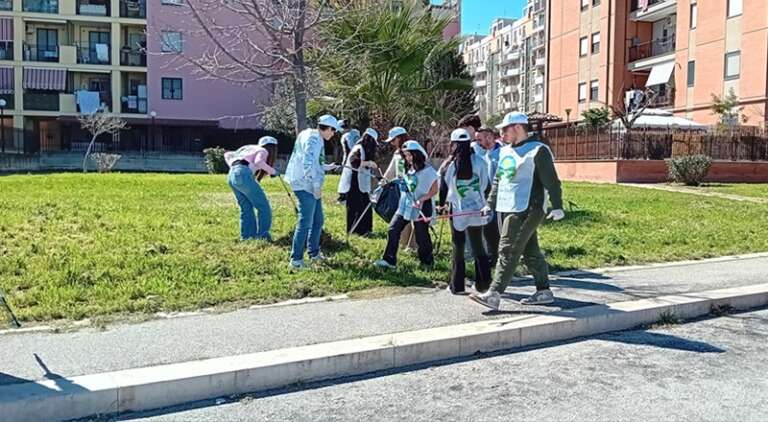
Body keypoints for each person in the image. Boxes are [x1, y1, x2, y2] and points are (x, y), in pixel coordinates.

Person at [469, 112, 565, 310]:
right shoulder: (505, 151)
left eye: (505, 129)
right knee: (530, 250)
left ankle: (494, 294)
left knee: (507, 248)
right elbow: (499, 179)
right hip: (509, 206)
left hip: (528, 207)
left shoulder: (538, 150)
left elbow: (552, 181)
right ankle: (543, 291)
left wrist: (557, 205)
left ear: (518, 128)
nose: (501, 133)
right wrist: (490, 203)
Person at [438, 128, 492, 295]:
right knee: (478, 246)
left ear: (453, 145)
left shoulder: (450, 165)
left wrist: (441, 206)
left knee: (458, 246)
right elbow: (486, 186)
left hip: (458, 211)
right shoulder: (481, 162)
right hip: (477, 209)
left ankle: (457, 285)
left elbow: (443, 188)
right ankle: (484, 284)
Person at [284, 115, 342, 269]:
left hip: (309, 184)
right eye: (333, 130)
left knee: (318, 220)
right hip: (305, 185)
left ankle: (314, 253)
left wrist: (327, 167)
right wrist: (316, 186)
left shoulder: (310, 134)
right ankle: (296, 260)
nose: (333, 133)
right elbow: (307, 164)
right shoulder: (314, 139)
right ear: (327, 128)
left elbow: (315, 162)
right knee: (305, 222)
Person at [375, 140, 438, 269]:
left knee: (422, 235)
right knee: (393, 229)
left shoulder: (428, 170)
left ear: (417, 154)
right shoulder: (407, 168)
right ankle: (389, 260)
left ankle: (427, 262)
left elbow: (434, 189)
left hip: (421, 206)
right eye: (405, 155)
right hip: (404, 204)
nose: (408, 158)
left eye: (410, 155)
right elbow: (404, 181)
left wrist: (422, 199)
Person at [224, 136, 279, 241]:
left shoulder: (248, 148)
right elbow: (259, 162)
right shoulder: (263, 150)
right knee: (263, 207)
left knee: (246, 208)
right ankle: (263, 236)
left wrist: (233, 166)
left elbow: (227, 154)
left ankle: (247, 237)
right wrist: (273, 172)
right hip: (243, 174)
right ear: (272, 148)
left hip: (231, 175)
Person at [338, 128, 379, 236]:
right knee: (356, 207)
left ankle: (366, 230)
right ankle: (355, 231)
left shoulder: (364, 149)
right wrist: (368, 163)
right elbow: (354, 162)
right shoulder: (358, 148)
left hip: (361, 182)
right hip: (353, 181)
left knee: (366, 205)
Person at [382, 126, 417, 250]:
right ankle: (403, 244)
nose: (392, 143)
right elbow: (391, 170)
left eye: (393, 140)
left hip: (414, 189)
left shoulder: (413, 150)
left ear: (399, 138)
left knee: (413, 218)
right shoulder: (397, 153)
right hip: (401, 190)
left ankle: (413, 245)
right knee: (403, 216)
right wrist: (384, 181)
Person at [472, 126, 503, 268]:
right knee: (488, 228)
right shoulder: (483, 154)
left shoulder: (502, 153)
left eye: (480, 139)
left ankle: (502, 260)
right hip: (487, 196)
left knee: (499, 229)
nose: (478, 142)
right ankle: (492, 258)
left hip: (501, 196)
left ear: (490, 137)